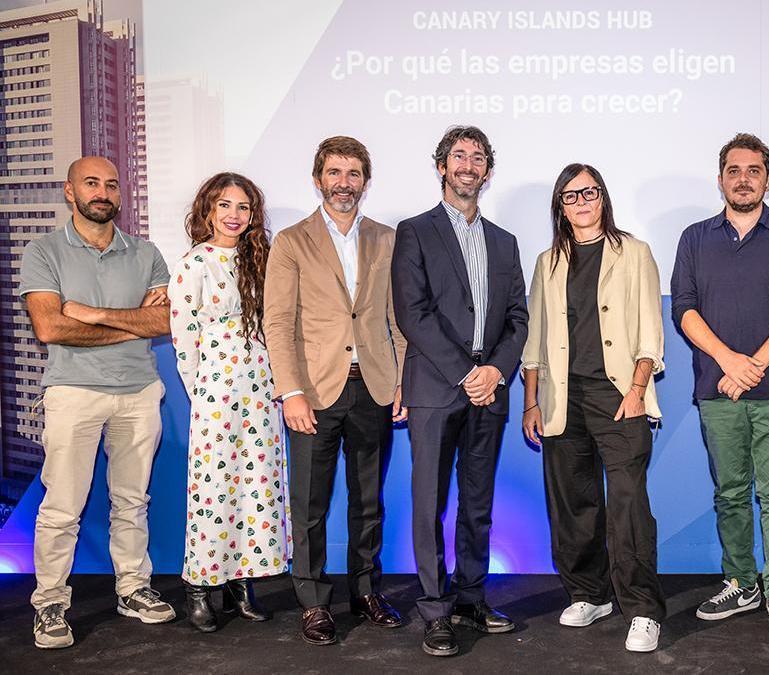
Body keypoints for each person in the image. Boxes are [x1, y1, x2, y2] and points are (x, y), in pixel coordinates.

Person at [20, 156, 177, 649]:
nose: (103, 192)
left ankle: (133, 589)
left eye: (111, 184)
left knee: (132, 501)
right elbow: (49, 327)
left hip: (139, 392)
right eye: (91, 183)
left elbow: (165, 324)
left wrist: (87, 314)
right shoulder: (43, 251)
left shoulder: (147, 253)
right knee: (63, 504)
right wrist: (129, 324)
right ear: (70, 191)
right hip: (72, 392)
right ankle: (50, 603)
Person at [670, 133, 769, 638]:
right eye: (734, 170)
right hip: (719, 388)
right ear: (721, 179)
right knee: (730, 493)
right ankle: (741, 581)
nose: (743, 178)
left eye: (753, 170)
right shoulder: (694, 237)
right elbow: (684, 309)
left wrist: (753, 364)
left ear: (768, 179)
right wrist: (730, 361)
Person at [263, 136, 408, 646]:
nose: (343, 183)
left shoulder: (388, 239)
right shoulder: (291, 241)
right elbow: (277, 323)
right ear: (317, 178)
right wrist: (290, 391)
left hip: (374, 386)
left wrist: (402, 379)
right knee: (309, 504)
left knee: (368, 501)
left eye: (353, 174)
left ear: (365, 181)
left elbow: (398, 318)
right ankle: (314, 602)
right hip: (315, 392)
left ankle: (365, 591)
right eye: (334, 173)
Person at [392, 125, 528, 657]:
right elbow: (413, 312)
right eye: (458, 156)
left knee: (478, 501)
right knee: (429, 501)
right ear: (442, 168)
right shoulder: (415, 231)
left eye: (477, 158)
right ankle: (434, 609)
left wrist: (494, 371)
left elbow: (518, 317)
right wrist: (464, 372)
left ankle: (472, 598)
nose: (468, 165)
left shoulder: (505, 241)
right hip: (436, 388)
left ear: (487, 172)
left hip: (490, 389)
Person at [521, 163, 667, 652]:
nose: (581, 201)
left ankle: (643, 609)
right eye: (570, 195)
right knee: (574, 504)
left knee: (627, 505)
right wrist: (531, 403)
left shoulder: (635, 253)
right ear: (560, 207)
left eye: (590, 191)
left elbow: (651, 332)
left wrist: (636, 390)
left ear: (603, 196)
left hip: (619, 396)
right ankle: (590, 593)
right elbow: (535, 340)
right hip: (562, 399)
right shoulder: (548, 262)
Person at [168, 172, 290, 632]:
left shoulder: (264, 260)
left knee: (255, 486)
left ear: (253, 214)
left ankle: (243, 582)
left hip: (261, 388)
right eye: (225, 206)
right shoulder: (193, 264)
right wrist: (202, 391)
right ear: (208, 210)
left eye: (243, 207)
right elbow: (184, 338)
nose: (234, 215)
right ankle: (200, 588)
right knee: (213, 489)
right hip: (215, 390)